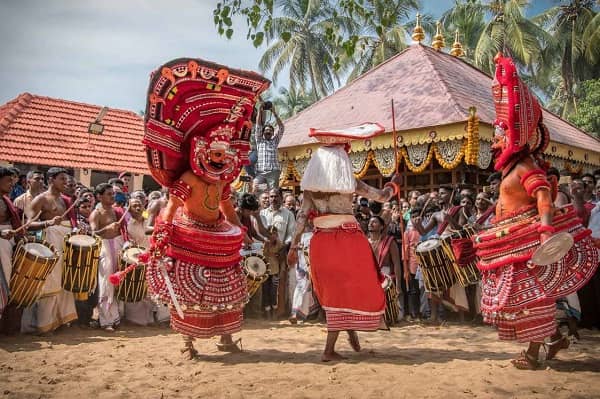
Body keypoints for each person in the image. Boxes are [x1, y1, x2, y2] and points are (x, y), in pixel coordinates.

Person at [474, 54, 597, 369]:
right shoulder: (510, 169)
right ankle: (554, 338)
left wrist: (545, 236)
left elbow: (543, 197)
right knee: (526, 295)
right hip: (511, 241)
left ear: (513, 138)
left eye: (500, 134)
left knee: (530, 296)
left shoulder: (526, 165)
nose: (495, 139)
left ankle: (532, 354)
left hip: (529, 242)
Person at [142, 57, 269, 359]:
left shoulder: (223, 181)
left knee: (227, 291)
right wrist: (163, 233)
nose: (219, 159)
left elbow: (228, 210)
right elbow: (171, 207)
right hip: (189, 238)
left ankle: (225, 338)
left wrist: (242, 231)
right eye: (214, 153)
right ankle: (188, 343)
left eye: (224, 155)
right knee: (189, 294)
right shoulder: (188, 178)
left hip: (218, 238)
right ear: (201, 150)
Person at [287, 124, 401, 362]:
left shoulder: (310, 189)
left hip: (320, 243)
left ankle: (350, 335)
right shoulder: (350, 183)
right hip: (348, 241)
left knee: (335, 292)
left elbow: (300, 218)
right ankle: (329, 349)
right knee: (355, 288)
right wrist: (393, 184)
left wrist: (293, 247)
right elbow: (382, 197)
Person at [25, 167, 78, 334]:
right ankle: (44, 324)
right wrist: (47, 223)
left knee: (65, 280)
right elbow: (28, 225)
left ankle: (62, 320)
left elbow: (72, 223)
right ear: (51, 180)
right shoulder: (40, 199)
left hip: (66, 243)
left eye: (66, 179)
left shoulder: (67, 200)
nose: (66, 182)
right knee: (50, 282)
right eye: (62, 179)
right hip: (50, 244)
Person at [89, 183, 126, 331]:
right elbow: (93, 234)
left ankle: (115, 316)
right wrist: (107, 229)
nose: (113, 196)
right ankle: (106, 320)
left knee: (118, 282)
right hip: (104, 248)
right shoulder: (96, 213)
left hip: (118, 246)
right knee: (105, 283)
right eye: (109, 194)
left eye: (113, 194)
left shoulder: (116, 211)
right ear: (99, 196)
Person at [260, 188, 296, 318]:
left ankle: (278, 312)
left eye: (276, 196)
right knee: (264, 284)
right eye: (271, 196)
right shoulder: (262, 214)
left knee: (279, 284)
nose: (273, 199)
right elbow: (258, 232)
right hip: (264, 255)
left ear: (281, 197)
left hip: (280, 254)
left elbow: (292, 234)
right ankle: (265, 311)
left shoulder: (288, 214)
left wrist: (283, 247)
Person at [368, 215, 403, 325]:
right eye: (370, 222)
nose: (371, 224)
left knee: (392, 318)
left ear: (382, 226)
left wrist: (398, 286)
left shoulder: (390, 242)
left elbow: (397, 264)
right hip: (369, 277)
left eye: (374, 222)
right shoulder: (365, 242)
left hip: (386, 278)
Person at [255, 101, 284, 189]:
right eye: (266, 130)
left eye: (270, 130)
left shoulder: (275, 141)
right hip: (261, 173)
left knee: (273, 193)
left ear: (272, 133)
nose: (268, 131)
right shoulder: (259, 141)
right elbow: (258, 126)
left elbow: (281, 128)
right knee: (261, 193)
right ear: (263, 133)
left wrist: (274, 113)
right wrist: (260, 111)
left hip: (273, 173)